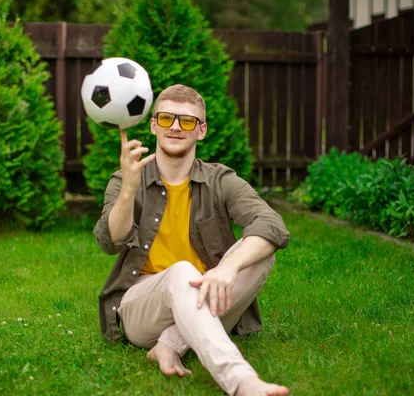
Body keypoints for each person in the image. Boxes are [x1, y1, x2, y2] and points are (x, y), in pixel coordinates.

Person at [93, 84, 290, 396]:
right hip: (142, 304)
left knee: (261, 251)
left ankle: (169, 344)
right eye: (167, 118)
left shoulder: (220, 180)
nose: (175, 126)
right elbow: (110, 242)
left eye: (186, 121)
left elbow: (271, 225)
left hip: (201, 296)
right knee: (184, 271)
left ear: (201, 131)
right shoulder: (126, 179)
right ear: (154, 124)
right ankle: (243, 382)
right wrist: (129, 190)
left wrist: (228, 268)